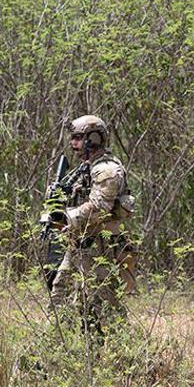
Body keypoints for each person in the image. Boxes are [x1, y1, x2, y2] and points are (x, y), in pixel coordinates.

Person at [48, 115, 135, 336]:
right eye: (73, 138)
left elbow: (99, 206)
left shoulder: (106, 169)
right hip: (77, 244)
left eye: (78, 138)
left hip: (101, 246)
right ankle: (56, 349)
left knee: (104, 305)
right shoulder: (83, 169)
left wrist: (68, 216)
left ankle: (130, 356)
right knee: (60, 294)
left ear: (94, 138)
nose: (73, 143)